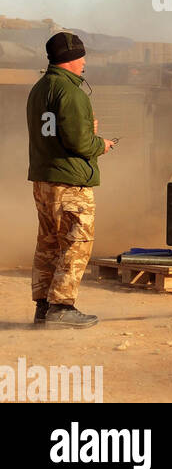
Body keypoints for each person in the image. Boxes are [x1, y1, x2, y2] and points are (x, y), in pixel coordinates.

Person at [27, 32, 114, 328]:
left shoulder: (39, 89)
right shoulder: (72, 92)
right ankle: (62, 306)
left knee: (49, 242)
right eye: (82, 57)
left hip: (44, 179)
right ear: (71, 59)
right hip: (69, 182)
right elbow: (78, 142)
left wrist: (85, 131)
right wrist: (99, 143)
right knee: (77, 242)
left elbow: (55, 132)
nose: (84, 62)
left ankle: (44, 307)